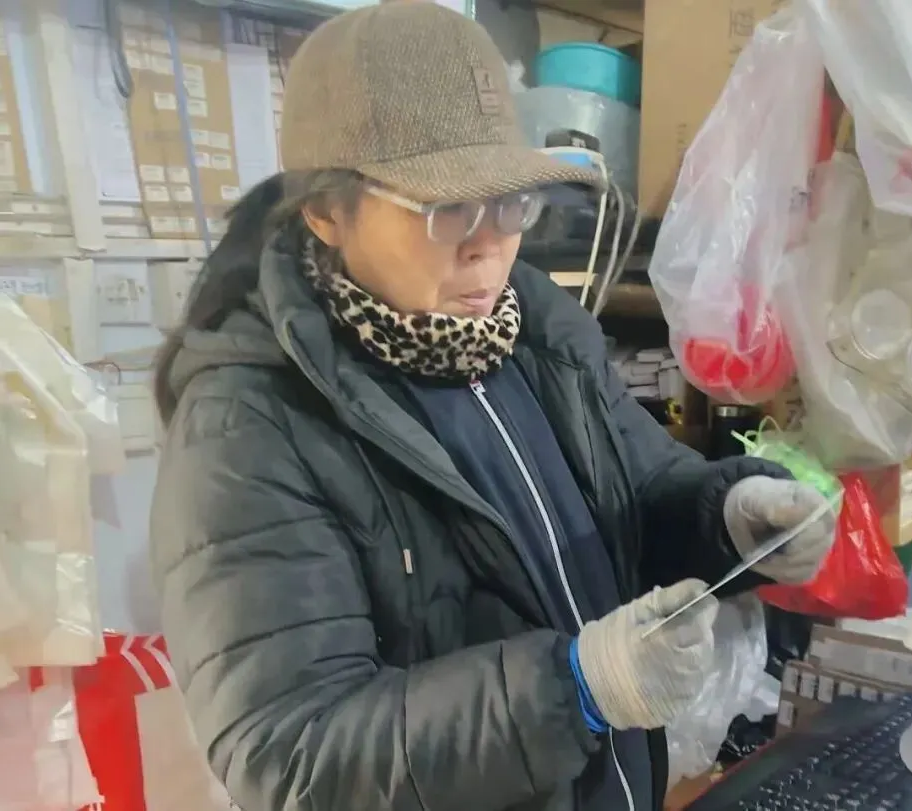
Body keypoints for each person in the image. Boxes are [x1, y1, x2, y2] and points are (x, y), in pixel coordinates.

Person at [149, 4, 836, 811]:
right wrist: (574, 688)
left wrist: (728, 520)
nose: (490, 245)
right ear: (326, 212)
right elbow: (294, 753)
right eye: (445, 209)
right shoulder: (250, 428)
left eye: (511, 204)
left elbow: (640, 490)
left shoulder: (533, 330)